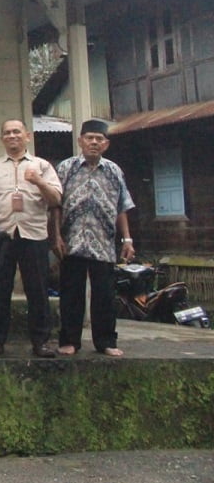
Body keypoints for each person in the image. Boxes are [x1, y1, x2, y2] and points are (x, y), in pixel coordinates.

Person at [0, 118, 62, 357]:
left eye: (17, 132)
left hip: (33, 234)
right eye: (7, 133)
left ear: (27, 136)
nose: (12, 136)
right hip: (2, 233)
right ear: (2, 138)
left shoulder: (42, 165)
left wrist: (37, 181)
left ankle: (41, 341)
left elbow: (55, 200)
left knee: (37, 290)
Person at [55, 119, 135, 357]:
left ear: (106, 144)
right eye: (89, 137)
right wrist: (56, 235)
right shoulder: (66, 168)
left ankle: (106, 342)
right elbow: (55, 205)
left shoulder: (114, 171)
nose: (93, 142)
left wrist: (127, 240)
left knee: (104, 294)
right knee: (71, 293)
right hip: (72, 241)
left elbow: (122, 206)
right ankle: (70, 340)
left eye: (99, 139)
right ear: (80, 141)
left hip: (103, 242)